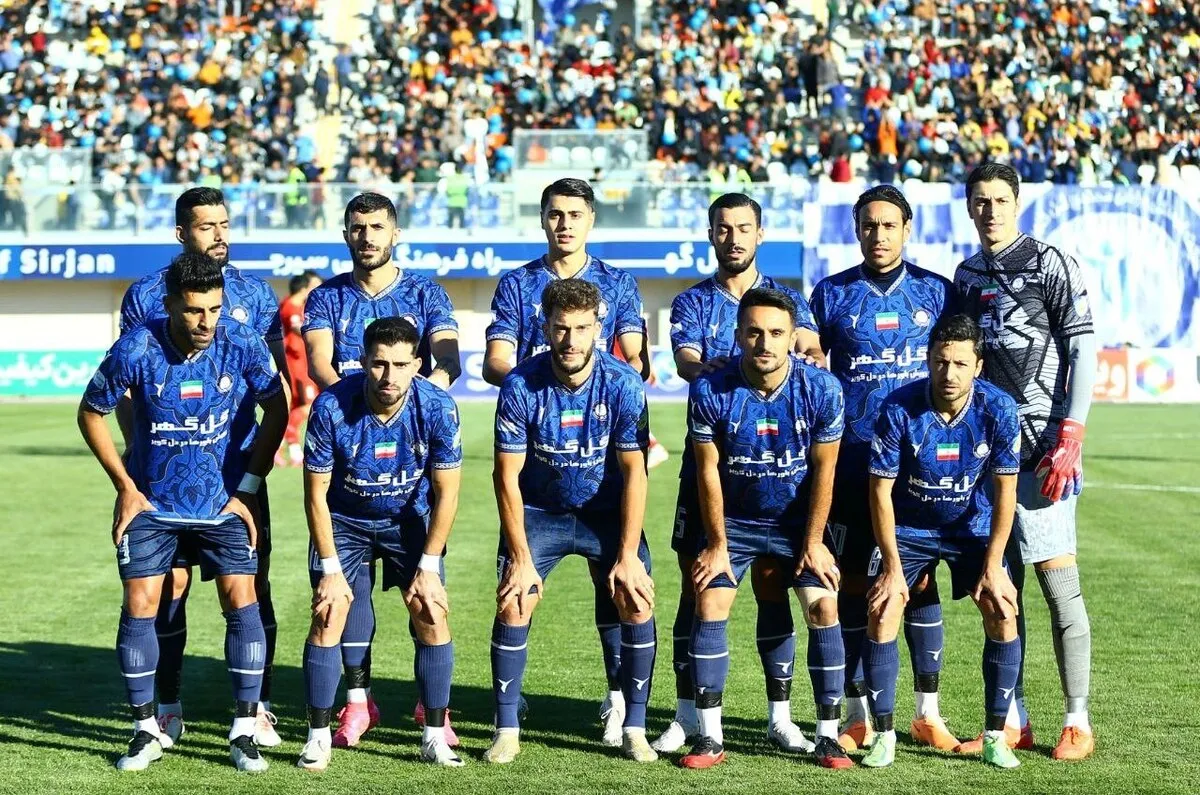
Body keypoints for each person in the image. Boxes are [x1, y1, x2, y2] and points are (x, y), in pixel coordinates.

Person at [78, 252, 288, 771]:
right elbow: (91, 411)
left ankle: (244, 731)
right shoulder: (136, 346)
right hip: (153, 503)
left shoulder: (241, 341)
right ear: (170, 304)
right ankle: (145, 729)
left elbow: (277, 407)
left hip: (223, 502)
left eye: (214, 309)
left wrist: (249, 486)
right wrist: (125, 486)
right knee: (142, 601)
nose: (206, 322)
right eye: (194, 310)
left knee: (242, 597)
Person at [481, 177, 662, 745]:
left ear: (590, 220)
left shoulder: (618, 282)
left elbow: (635, 357)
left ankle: (621, 701)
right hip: (541, 475)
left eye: (575, 214)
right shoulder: (518, 284)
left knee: (625, 589)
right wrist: (540, 385)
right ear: (542, 219)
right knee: (515, 593)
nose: (564, 224)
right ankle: (507, 718)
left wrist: (615, 382)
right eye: (555, 214)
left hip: (603, 472)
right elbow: (497, 361)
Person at [655, 193, 826, 756]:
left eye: (743, 228)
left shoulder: (786, 300)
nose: (733, 238)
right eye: (723, 228)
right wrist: (722, 368)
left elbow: (810, 346)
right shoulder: (692, 301)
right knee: (698, 587)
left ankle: (781, 719)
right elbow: (688, 361)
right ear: (711, 234)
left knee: (774, 586)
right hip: (711, 471)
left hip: (777, 478)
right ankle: (687, 715)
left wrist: (805, 350)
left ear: (760, 234)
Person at [303, 191, 462, 747]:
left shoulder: (426, 292)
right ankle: (356, 702)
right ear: (346, 234)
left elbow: (448, 356)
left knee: (427, 600)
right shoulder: (325, 297)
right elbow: (320, 363)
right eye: (357, 227)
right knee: (342, 604)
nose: (367, 236)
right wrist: (359, 413)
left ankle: (432, 708)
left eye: (377, 227)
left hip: (409, 496)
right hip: (349, 477)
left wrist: (412, 404)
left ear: (395, 233)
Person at [808, 184, 958, 753]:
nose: (878, 234)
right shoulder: (831, 294)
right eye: (868, 225)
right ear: (856, 230)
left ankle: (927, 712)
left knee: (918, 580)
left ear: (907, 229)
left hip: (919, 466)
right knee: (848, 582)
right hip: (851, 462)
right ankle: (856, 714)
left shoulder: (936, 292)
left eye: (889, 224)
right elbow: (812, 364)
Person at [953, 163, 1096, 761]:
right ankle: (1014, 718)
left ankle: (1077, 721)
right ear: (969, 208)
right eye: (980, 201)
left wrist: (1071, 433)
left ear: (1017, 203)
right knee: (1000, 591)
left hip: (1042, 454)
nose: (990, 210)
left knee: (1059, 588)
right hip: (988, 458)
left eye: (1000, 200)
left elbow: (1082, 347)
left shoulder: (1051, 263)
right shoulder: (966, 275)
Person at [680, 287, 852, 770]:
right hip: (736, 522)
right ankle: (709, 737)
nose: (765, 342)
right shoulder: (709, 390)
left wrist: (814, 542)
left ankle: (828, 736)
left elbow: (825, 470)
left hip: (798, 523)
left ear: (793, 336)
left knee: (823, 605)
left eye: (776, 333)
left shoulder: (822, 389)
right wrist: (716, 544)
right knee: (710, 600)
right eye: (754, 332)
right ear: (738, 335)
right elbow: (708, 471)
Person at [860, 314, 1024, 769]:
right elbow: (879, 492)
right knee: (883, 608)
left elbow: (1006, 492)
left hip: (971, 528)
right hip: (908, 528)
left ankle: (995, 736)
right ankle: (884, 736)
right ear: (928, 360)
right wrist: (893, 568)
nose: (949, 373)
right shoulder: (898, 408)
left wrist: (994, 565)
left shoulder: (998, 409)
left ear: (978, 366)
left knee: (1002, 609)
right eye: (940, 361)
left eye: (960, 364)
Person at [279, 270, 323, 467]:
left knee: (297, 406)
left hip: (302, 362)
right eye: (314, 285)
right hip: (296, 364)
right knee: (306, 405)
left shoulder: (301, 307)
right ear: (305, 286)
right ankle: (288, 442)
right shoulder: (290, 306)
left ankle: (291, 450)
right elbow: (299, 330)